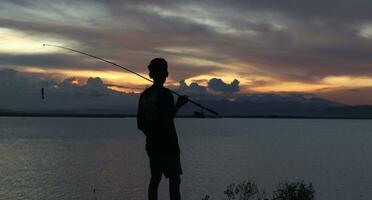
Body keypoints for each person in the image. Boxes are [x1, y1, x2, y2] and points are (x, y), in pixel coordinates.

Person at [137, 58, 188, 200]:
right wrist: (179, 105)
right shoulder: (166, 95)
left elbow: (140, 124)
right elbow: (167, 118)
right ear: (166, 74)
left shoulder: (144, 96)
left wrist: (152, 136)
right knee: (174, 180)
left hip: (152, 145)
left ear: (150, 75)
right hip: (169, 144)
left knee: (155, 178)